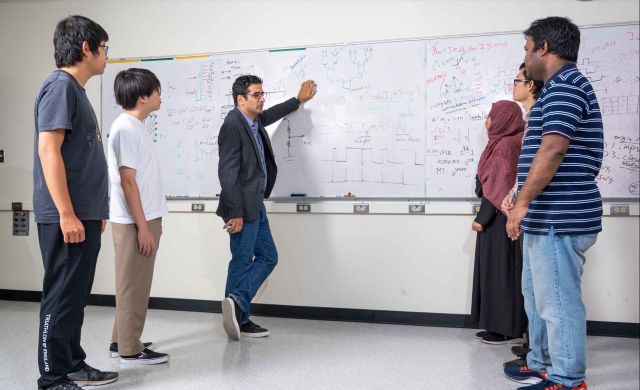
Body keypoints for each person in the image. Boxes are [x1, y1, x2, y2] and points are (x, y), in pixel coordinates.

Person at [504, 17, 603, 390]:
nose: (525, 56)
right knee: (537, 296)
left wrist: (521, 203)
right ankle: (542, 363)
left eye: (528, 48)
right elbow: (542, 153)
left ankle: (567, 379)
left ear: (544, 48)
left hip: (559, 217)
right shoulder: (555, 89)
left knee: (558, 304)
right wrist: (520, 195)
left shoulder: (565, 87)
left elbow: (554, 149)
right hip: (546, 215)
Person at [33, 15, 118, 389]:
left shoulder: (76, 91)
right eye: (104, 48)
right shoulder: (60, 87)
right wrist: (67, 213)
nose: (106, 56)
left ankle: (73, 362)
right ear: (87, 48)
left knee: (76, 295)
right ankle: (52, 377)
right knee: (62, 295)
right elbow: (48, 151)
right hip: (64, 217)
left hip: (83, 215)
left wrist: (92, 210)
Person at [218, 75, 317, 340]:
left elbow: (273, 113)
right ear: (241, 99)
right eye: (257, 95)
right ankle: (240, 317)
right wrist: (235, 212)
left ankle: (238, 308)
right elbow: (227, 172)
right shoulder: (232, 125)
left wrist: (298, 100)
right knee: (241, 262)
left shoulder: (253, 121)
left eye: (263, 94)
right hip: (242, 207)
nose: (262, 99)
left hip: (255, 203)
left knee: (267, 257)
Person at [107, 68, 169, 364]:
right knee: (134, 285)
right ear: (143, 96)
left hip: (144, 219)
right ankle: (130, 348)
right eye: (157, 91)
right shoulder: (126, 128)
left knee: (132, 282)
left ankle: (121, 338)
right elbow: (127, 181)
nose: (161, 96)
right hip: (133, 222)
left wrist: (154, 220)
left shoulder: (136, 125)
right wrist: (144, 228)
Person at [470, 100, 526, 345]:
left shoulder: (504, 145)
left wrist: (482, 219)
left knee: (499, 273)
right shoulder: (508, 142)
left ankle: (503, 328)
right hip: (506, 218)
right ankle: (506, 326)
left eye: (490, 116)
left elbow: (498, 186)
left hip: (499, 220)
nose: (486, 121)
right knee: (505, 272)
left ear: (503, 118)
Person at [501, 63, 544, 358]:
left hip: (544, 214)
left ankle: (549, 361)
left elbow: (546, 161)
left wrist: (521, 200)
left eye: (517, 80)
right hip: (531, 211)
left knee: (545, 296)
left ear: (530, 85)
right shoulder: (529, 118)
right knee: (531, 289)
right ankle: (537, 353)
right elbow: (528, 166)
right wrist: (513, 192)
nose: (513, 85)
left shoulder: (542, 113)